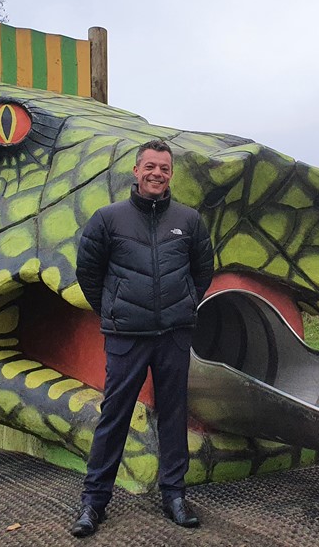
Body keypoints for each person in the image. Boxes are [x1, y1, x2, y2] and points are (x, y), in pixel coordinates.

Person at [71, 139, 214, 538]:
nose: (157, 174)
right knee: (114, 416)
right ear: (136, 171)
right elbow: (89, 273)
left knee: (173, 415)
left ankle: (174, 495)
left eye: (164, 168)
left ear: (171, 174)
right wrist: (113, 311)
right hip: (126, 336)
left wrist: (182, 306)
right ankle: (93, 502)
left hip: (173, 334)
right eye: (150, 166)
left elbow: (202, 273)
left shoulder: (189, 220)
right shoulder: (107, 219)